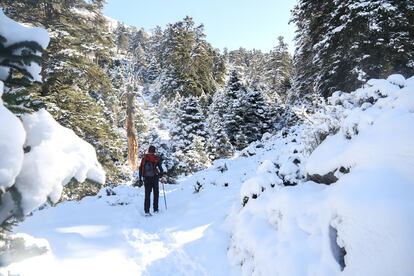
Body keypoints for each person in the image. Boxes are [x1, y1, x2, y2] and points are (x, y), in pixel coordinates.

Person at [139, 145, 163, 216]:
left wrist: (140, 179)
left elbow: (140, 169)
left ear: (148, 151)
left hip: (146, 179)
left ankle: (146, 211)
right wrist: (161, 175)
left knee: (147, 195)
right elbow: (161, 169)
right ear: (154, 151)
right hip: (154, 178)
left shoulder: (144, 159)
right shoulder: (156, 158)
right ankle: (155, 209)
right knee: (156, 194)